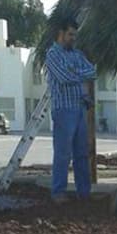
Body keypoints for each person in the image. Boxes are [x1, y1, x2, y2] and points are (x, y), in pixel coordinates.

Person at [44, 17, 97, 203]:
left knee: (81, 153)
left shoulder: (77, 54)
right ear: (61, 33)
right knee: (63, 153)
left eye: (75, 35)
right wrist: (78, 74)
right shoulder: (52, 54)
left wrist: (75, 73)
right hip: (63, 110)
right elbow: (64, 77)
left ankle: (84, 192)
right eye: (70, 34)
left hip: (80, 108)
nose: (73, 38)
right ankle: (58, 191)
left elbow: (93, 72)